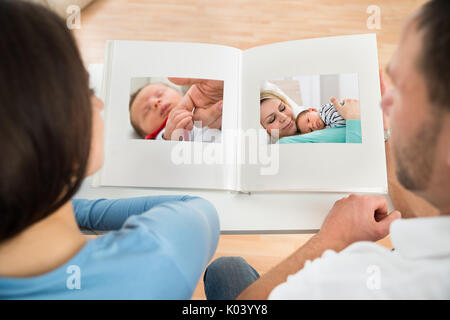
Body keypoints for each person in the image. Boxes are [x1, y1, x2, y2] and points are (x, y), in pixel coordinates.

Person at [203, 0, 450, 299]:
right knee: (226, 267)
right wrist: (382, 133)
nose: (385, 102)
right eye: (272, 119)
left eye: (404, 90)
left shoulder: (370, 280)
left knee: (224, 269)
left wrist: (332, 238)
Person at [0, 0, 219, 299]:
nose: (99, 103)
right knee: (226, 271)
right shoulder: (156, 258)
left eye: (158, 93)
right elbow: (197, 209)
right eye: (87, 91)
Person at [129, 81, 221, 142]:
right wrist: (167, 138)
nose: (155, 103)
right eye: (146, 111)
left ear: (178, 92)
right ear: (145, 135)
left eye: (159, 93)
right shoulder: (161, 137)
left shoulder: (199, 99)